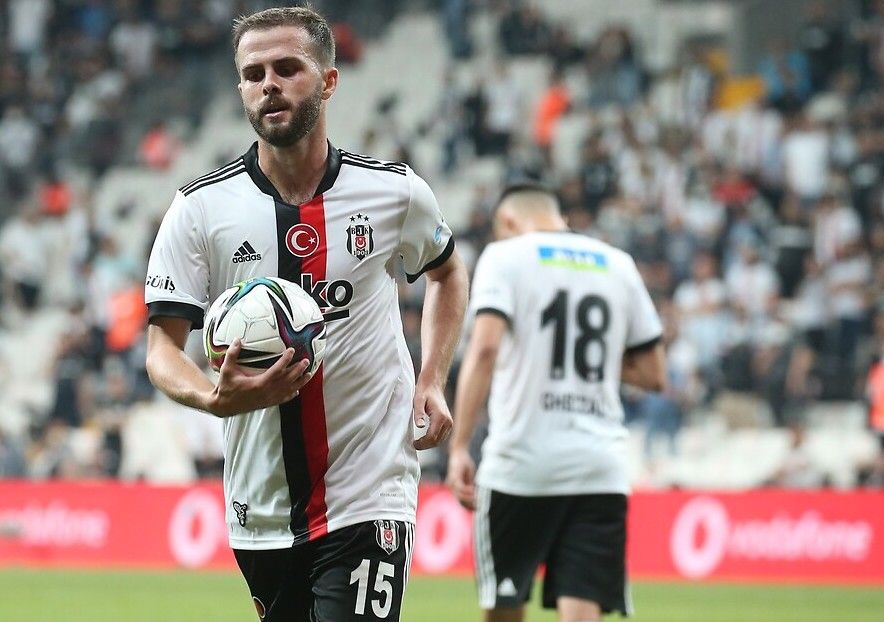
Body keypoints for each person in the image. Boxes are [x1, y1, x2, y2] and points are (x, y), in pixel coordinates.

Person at [143, 7, 468, 621]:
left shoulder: (393, 192)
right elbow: (162, 350)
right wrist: (214, 397)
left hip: (369, 489)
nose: (269, 84)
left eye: (287, 68)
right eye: (253, 73)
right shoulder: (198, 210)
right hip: (260, 503)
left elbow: (448, 272)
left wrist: (432, 378)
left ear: (328, 80)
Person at [447, 183, 666, 622]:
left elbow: (485, 349)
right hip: (599, 466)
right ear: (560, 219)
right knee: (582, 610)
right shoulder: (617, 263)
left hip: (521, 464)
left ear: (507, 221)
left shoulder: (504, 256)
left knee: (505, 605)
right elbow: (653, 373)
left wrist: (459, 446)